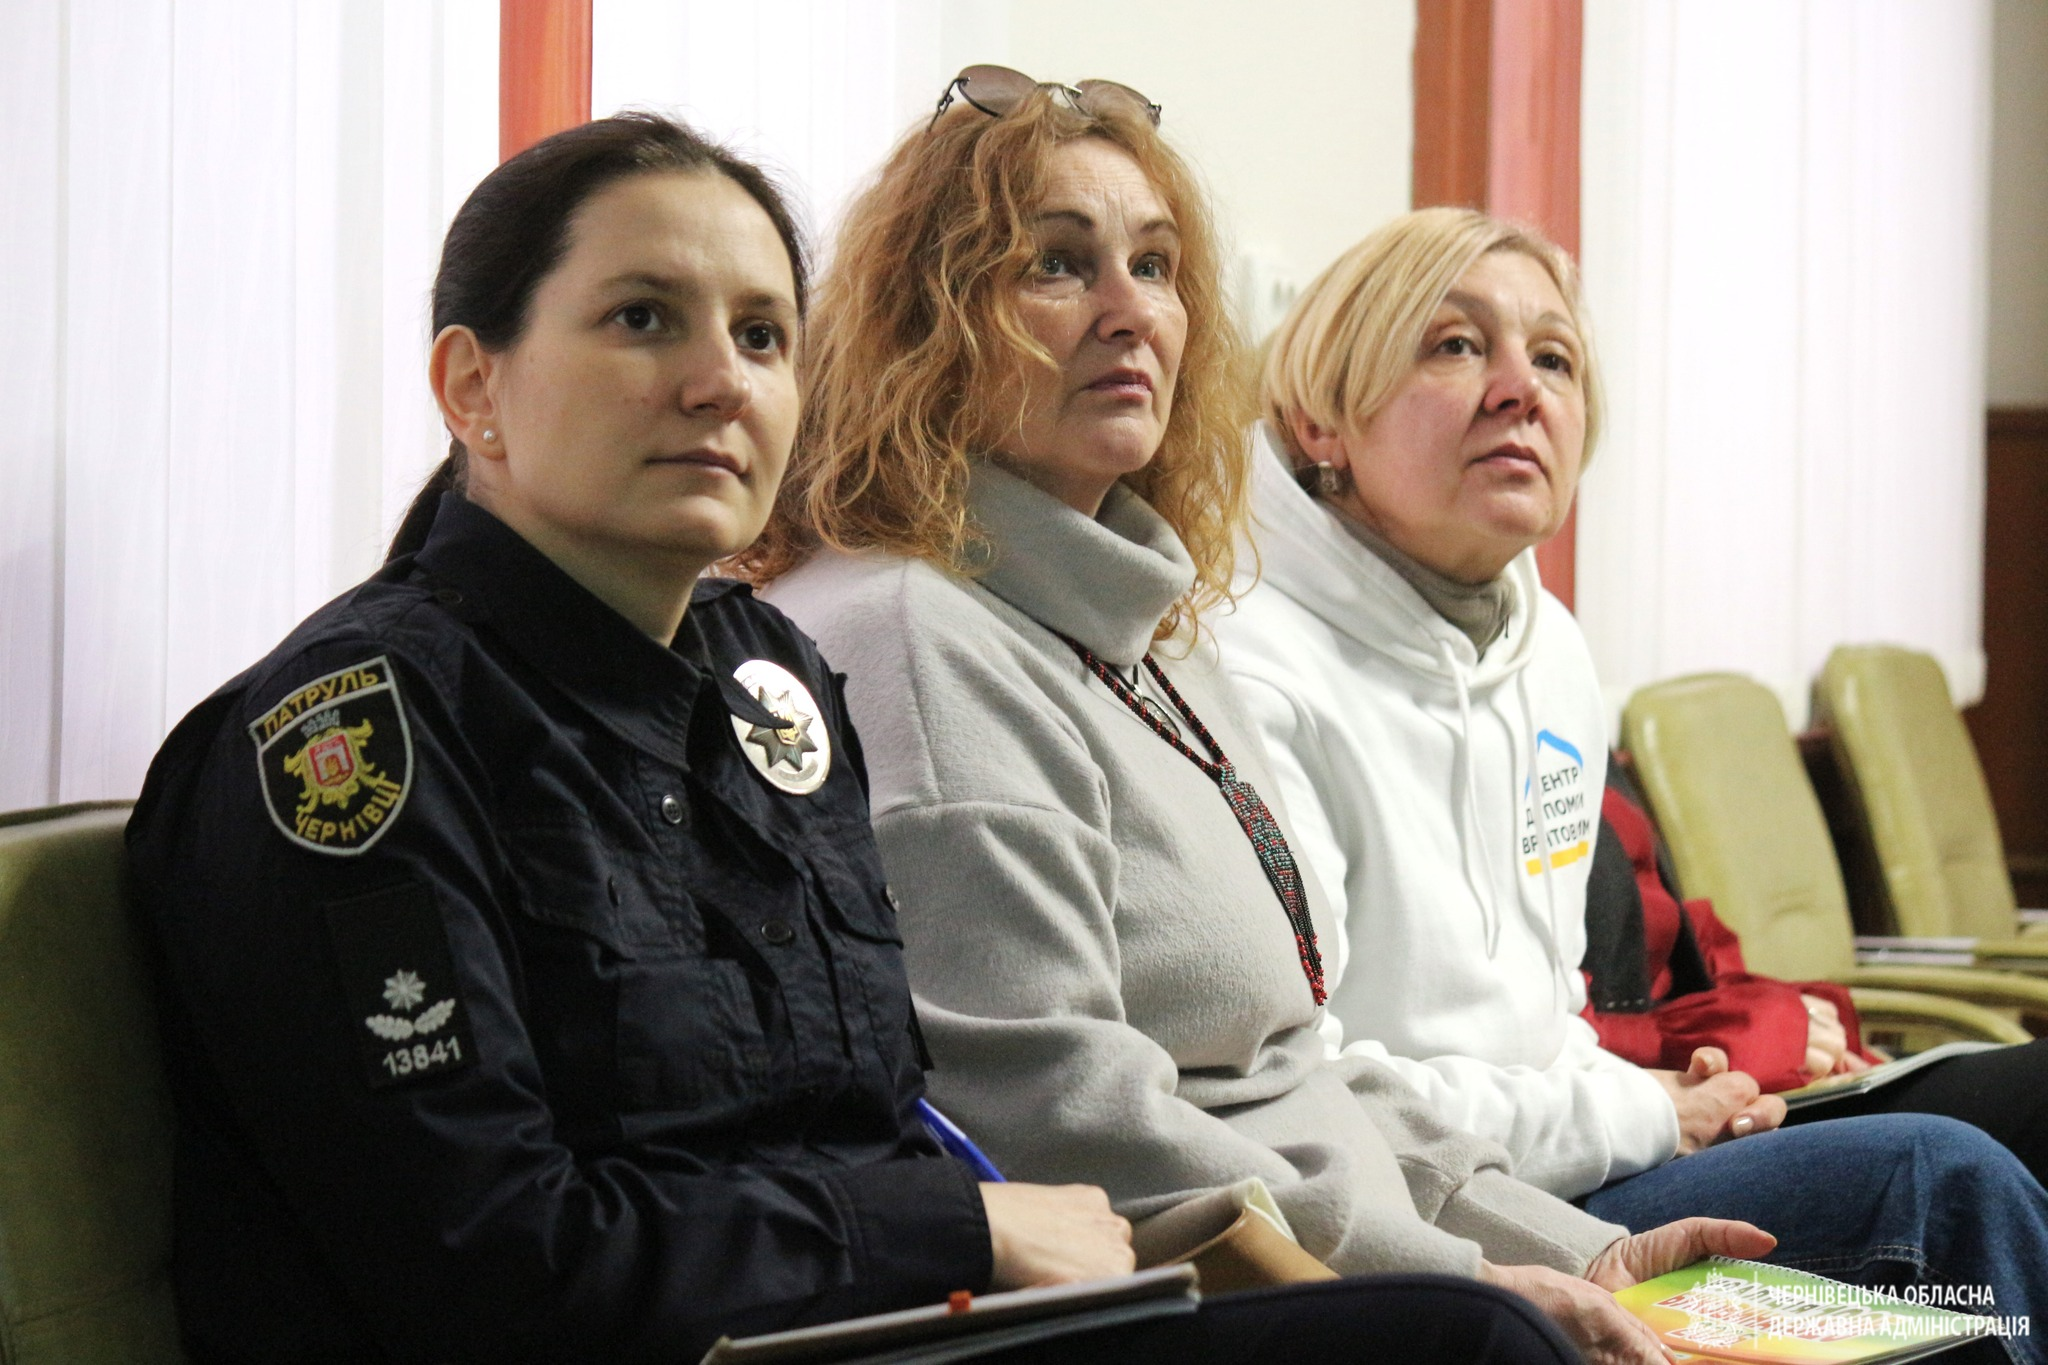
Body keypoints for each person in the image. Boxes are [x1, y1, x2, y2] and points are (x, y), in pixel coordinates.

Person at [123, 114, 1590, 1365]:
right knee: (1467, 1345)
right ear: (472, 386)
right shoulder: (355, 743)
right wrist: (951, 1227)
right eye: (642, 319)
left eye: (762, 335)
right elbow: (489, 1257)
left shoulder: (764, 681)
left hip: (894, 1319)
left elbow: (868, 1118)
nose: (720, 381)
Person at [744, 66, 1806, 1365]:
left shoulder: (1146, 626)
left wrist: (1567, 1248)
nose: (1131, 311)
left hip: (1368, 1243)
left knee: (1894, 1240)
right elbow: (1063, 1123)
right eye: (1058, 265)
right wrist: (1475, 1280)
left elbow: (1291, 1066)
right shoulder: (914, 633)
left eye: (1156, 266)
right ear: (932, 321)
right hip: (1157, 1298)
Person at [1212, 206, 2048, 1360]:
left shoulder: (1545, 644)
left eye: (1553, 359)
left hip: (1581, 1153)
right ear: (1319, 420)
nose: (1520, 390)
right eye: (1454, 345)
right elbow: (1309, 1092)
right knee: (1937, 1185)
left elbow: (1536, 1016)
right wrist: (1640, 1110)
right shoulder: (1240, 671)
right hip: (1437, 1218)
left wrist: (1663, 1087)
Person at [1585, 760, 2048, 1182]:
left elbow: (1674, 955)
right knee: (1956, 1153)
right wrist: (1764, 1035)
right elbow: (1558, 1046)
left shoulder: (1577, 730)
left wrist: (1785, 1019)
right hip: (1664, 1113)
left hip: (1741, 1070)